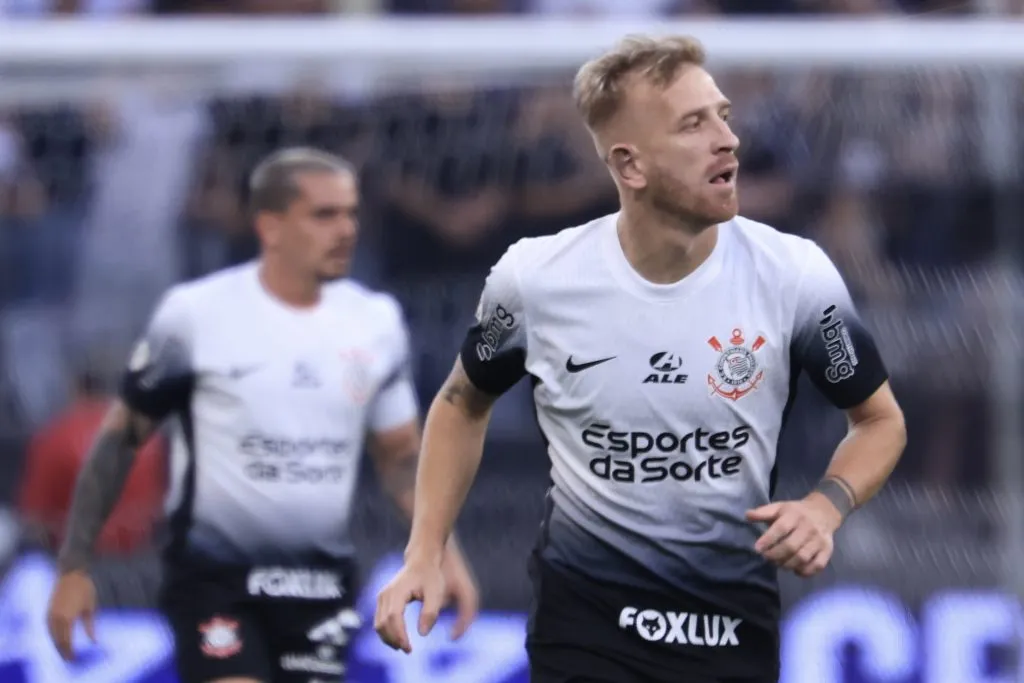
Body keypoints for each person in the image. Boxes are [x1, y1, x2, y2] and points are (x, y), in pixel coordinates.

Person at [374, 35, 907, 683]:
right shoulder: (538, 277)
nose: (727, 139)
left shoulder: (793, 274)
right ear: (630, 167)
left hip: (728, 630)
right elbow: (462, 403)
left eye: (723, 115)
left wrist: (825, 505)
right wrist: (425, 547)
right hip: (586, 630)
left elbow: (879, 420)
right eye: (694, 123)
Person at [45, 147, 479, 683]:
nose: (345, 229)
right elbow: (120, 439)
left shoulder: (374, 321)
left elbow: (399, 460)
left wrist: (442, 555)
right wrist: (74, 565)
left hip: (317, 583)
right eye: (324, 215)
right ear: (270, 226)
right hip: (217, 580)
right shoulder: (195, 315)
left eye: (350, 214)